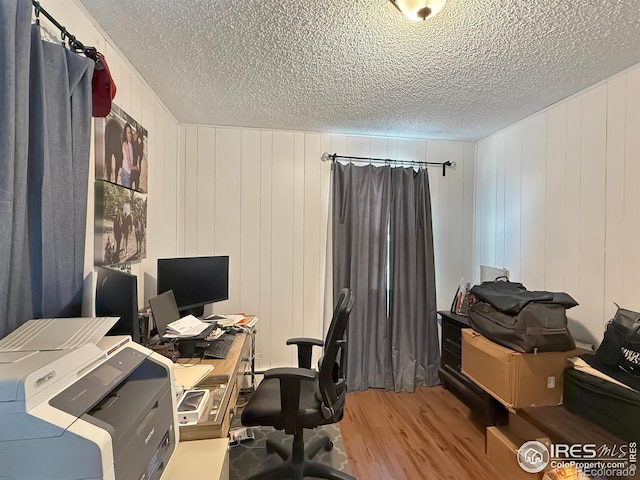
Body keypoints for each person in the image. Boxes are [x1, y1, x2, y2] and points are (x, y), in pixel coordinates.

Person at [120, 123, 133, 188]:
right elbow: (129, 164)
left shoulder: (130, 144)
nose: (130, 135)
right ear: (125, 133)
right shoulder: (126, 145)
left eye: (130, 133)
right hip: (125, 174)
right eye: (128, 133)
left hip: (127, 174)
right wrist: (135, 167)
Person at [131, 127, 143, 191]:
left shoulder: (138, 142)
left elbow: (140, 155)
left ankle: (136, 187)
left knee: (137, 178)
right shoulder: (132, 142)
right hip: (133, 164)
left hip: (136, 163)